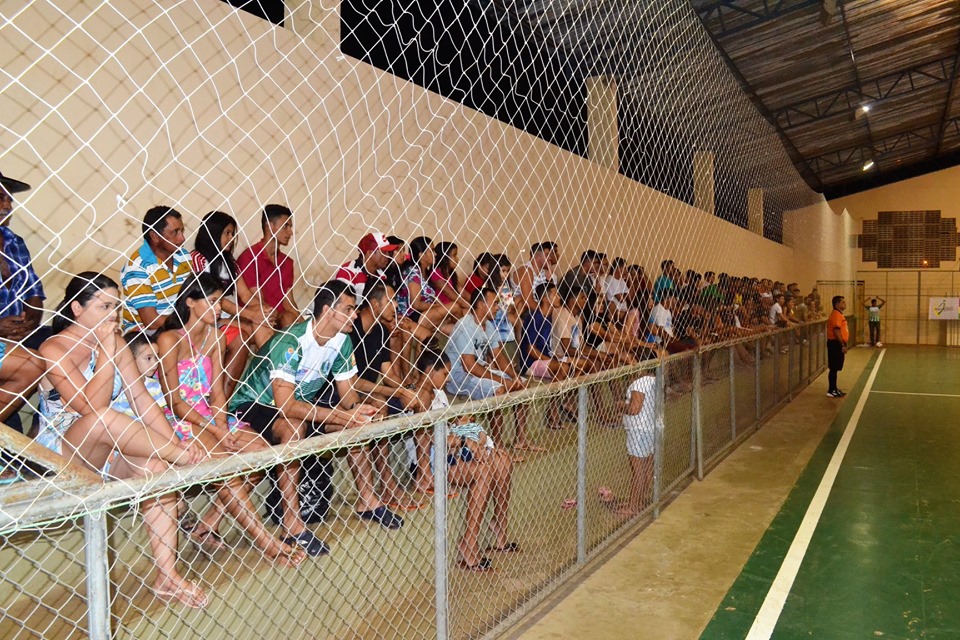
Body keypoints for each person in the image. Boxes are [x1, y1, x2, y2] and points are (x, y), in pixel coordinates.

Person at [36, 272, 207, 608]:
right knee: (105, 418)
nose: (113, 314)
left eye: (116, 306)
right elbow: (90, 408)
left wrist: (174, 441)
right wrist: (108, 350)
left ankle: (167, 576)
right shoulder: (53, 348)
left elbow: (142, 399)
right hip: (66, 451)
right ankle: (183, 460)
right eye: (104, 306)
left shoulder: (116, 344)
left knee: (155, 467)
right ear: (77, 309)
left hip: (112, 446)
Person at [230, 280, 402, 556]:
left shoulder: (342, 341)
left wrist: (361, 410)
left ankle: (368, 500)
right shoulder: (291, 341)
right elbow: (285, 405)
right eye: (348, 309)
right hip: (254, 403)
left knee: (356, 423)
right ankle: (293, 525)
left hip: (298, 407)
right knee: (294, 426)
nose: (355, 314)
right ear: (327, 310)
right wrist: (343, 415)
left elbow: (348, 397)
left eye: (355, 309)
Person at [416, 348, 517, 571]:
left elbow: (448, 430)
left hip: (453, 450)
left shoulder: (438, 393)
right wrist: (463, 440)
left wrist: (465, 429)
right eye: (444, 373)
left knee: (503, 459)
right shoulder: (419, 397)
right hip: (438, 459)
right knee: (484, 470)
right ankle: (469, 542)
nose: (448, 378)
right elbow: (430, 438)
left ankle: (499, 527)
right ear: (431, 371)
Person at [347, 280, 423, 509]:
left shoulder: (380, 329)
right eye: (390, 300)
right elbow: (353, 383)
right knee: (379, 405)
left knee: (422, 397)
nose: (395, 306)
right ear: (374, 303)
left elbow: (386, 369)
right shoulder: (351, 330)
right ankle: (387, 484)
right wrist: (394, 391)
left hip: (369, 392)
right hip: (348, 396)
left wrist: (405, 391)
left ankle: (424, 473)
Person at [445, 288, 543, 454]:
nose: (498, 307)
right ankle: (497, 446)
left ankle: (521, 440)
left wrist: (514, 376)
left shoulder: (488, 325)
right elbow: (469, 366)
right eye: (494, 303)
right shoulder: (464, 325)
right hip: (459, 377)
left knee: (523, 384)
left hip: (479, 371)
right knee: (498, 390)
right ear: (482, 304)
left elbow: (499, 357)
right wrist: (503, 380)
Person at [191, 210, 276, 389]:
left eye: (232, 233)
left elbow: (245, 295)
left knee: (262, 322)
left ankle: (273, 381)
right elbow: (215, 300)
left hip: (226, 316)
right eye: (226, 233)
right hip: (207, 316)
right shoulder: (198, 259)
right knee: (248, 329)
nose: (231, 238)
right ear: (213, 233)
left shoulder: (231, 263)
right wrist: (252, 315)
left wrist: (263, 309)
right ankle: (272, 380)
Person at [120, 206, 193, 334]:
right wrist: (190, 325)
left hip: (180, 322)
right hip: (145, 331)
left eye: (182, 231)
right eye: (175, 232)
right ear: (155, 236)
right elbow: (151, 321)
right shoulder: (137, 266)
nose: (182, 239)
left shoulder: (183, 256)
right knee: (178, 343)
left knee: (232, 336)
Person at [0, 171, 47, 349]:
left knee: (69, 344)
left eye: (9, 200)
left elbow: (33, 292)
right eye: (0, 197)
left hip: (20, 333)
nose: (7, 206)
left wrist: (29, 325)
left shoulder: (15, 243)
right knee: (31, 365)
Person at [236, 204, 301, 328]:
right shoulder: (250, 257)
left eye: (290, 226)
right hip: (257, 316)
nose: (290, 232)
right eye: (285, 226)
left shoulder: (287, 262)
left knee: (290, 318)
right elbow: (256, 301)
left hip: (280, 318)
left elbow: (289, 302)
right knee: (270, 317)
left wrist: (305, 327)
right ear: (270, 226)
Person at [614, 371, 662, 516]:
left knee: (639, 470)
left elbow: (634, 409)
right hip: (653, 428)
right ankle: (638, 501)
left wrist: (621, 405)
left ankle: (633, 507)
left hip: (639, 431)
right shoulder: (655, 380)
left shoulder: (640, 383)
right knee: (647, 468)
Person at [334, 231, 399, 303]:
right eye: (384, 252)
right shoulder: (348, 272)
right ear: (370, 253)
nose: (388, 256)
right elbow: (342, 305)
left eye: (388, 252)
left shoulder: (382, 275)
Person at [513, 241, 558, 317]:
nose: (550, 258)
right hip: (525, 309)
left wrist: (549, 280)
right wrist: (544, 312)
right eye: (547, 255)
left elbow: (550, 296)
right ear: (538, 256)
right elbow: (528, 301)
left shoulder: (545, 273)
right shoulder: (526, 270)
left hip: (540, 308)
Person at [826, 295, 848, 398]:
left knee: (836, 368)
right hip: (835, 344)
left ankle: (834, 388)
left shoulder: (839, 314)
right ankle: (831, 390)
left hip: (837, 343)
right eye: (843, 302)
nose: (845, 304)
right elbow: (836, 330)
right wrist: (842, 344)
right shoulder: (835, 315)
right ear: (837, 304)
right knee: (833, 368)